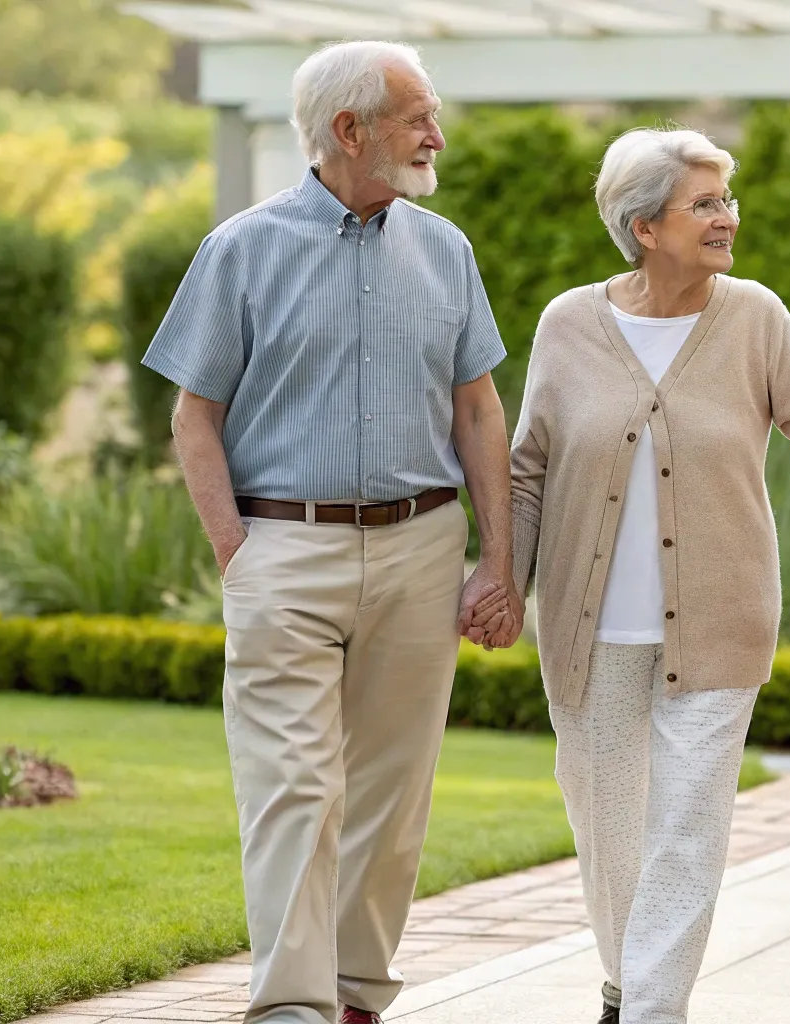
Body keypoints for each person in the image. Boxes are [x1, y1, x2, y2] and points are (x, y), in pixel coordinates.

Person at [140, 41, 519, 1024]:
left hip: (421, 544)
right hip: (284, 549)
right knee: (294, 793)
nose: (436, 135)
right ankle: (292, 1008)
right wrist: (240, 553)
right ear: (350, 130)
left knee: (392, 799)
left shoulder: (446, 250)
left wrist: (498, 559)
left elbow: (478, 414)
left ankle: (355, 997)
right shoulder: (241, 249)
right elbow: (194, 419)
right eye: (417, 116)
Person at [494, 126, 790, 1024]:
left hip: (719, 623)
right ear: (644, 225)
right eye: (706, 203)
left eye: (728, 200)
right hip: (587, 630)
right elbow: (527, 472)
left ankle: (649, 1012)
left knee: (685, 833)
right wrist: (499, 581)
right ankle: (624, 984)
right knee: (609, 834)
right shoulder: (569, 324)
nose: (728, 218)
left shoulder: (753, 316)